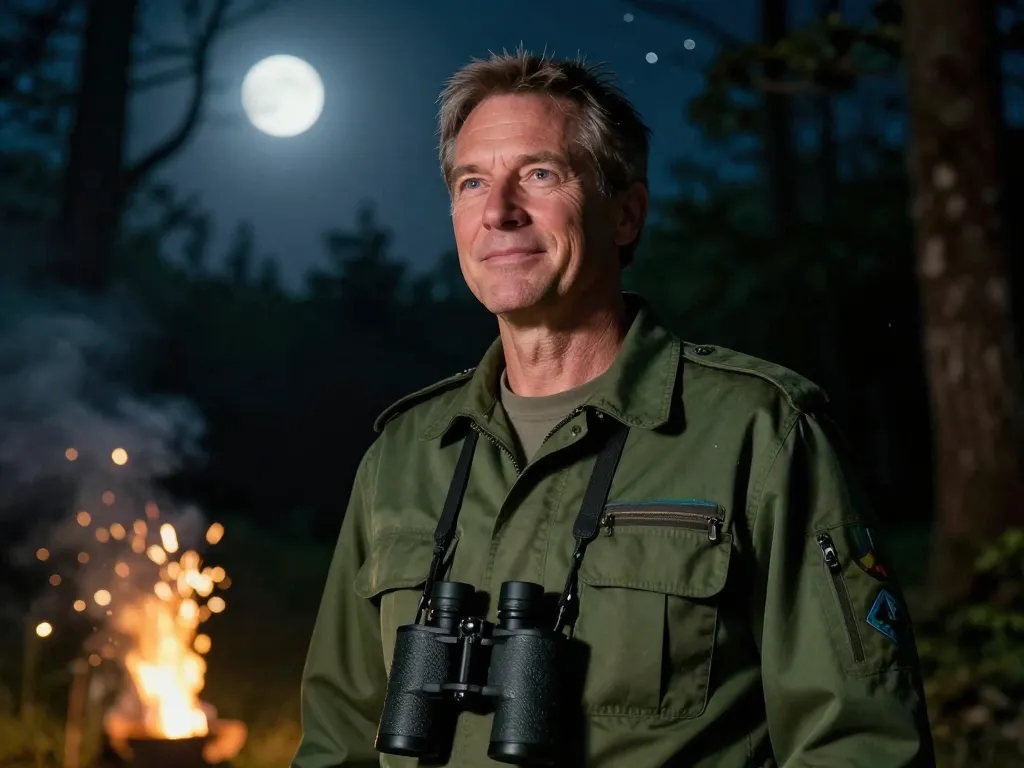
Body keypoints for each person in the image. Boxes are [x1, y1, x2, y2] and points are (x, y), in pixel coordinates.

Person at [292, 49, 935, 768]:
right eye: (473, 181)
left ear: (626, 213)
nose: (499, 211)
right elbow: (335, 743)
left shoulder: (759, 435)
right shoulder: (404, 456)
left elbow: (861, 745)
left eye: (539, 174)